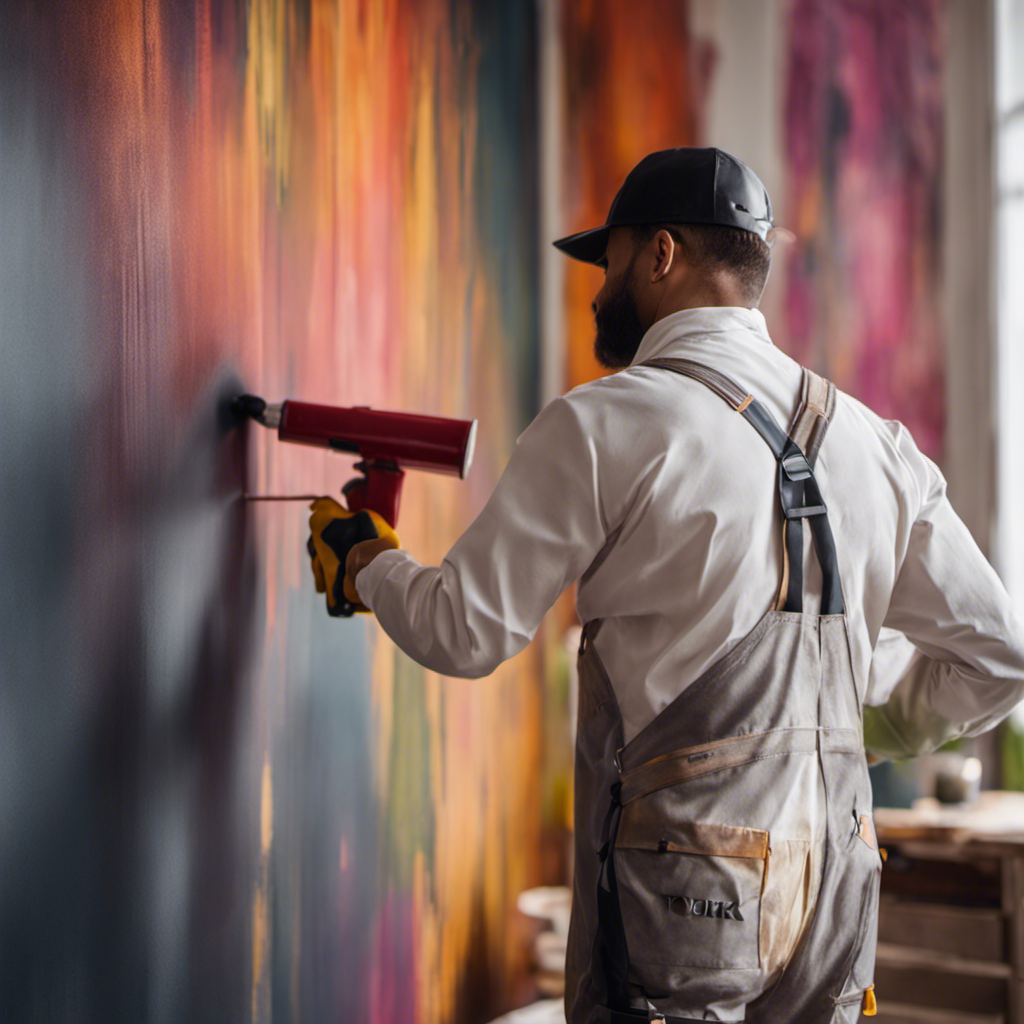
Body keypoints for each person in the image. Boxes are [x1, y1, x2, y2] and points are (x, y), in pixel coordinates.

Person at [310, 147, 1024, 1023]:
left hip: (685, 892)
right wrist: (852, 731)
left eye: (608, 258)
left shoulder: (605, 423)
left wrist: (365, 558)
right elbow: (1001, 656)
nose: (599, 285)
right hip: (838, 890)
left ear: (660, 254)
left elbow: (464, 631)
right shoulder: (879, 447)